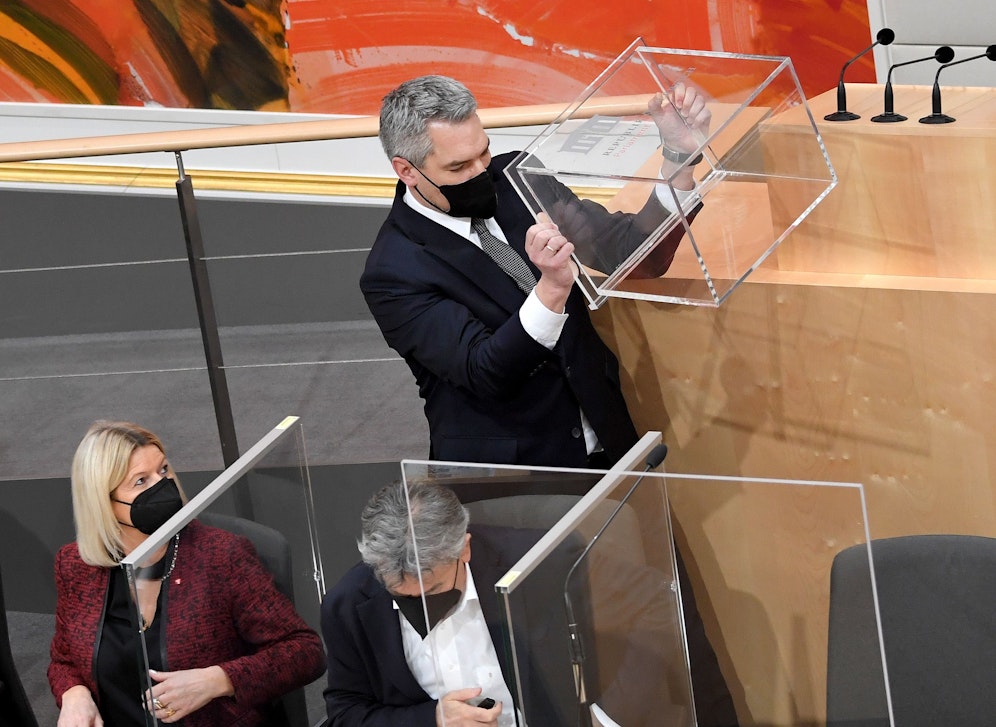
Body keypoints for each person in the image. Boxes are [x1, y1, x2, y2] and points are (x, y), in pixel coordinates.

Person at [360, 74, 710, 469]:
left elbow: (631, 253)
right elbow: (485, 371)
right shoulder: (393, 271)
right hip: (517, 482)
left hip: (608, 443)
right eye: (458, 167)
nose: (480, 172)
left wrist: (679, 158)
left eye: (484, 153)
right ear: (406, 171)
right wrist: (552, 288)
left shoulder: (516, 180)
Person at [48, 421, 326, 727]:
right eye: (140, 481)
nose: (161, 485)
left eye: (164, 470)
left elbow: (304, 652)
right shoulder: (76, 565)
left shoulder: (221, 556)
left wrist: (216, 680)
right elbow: (64, 660)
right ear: (102, 501)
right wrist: (74, 694)